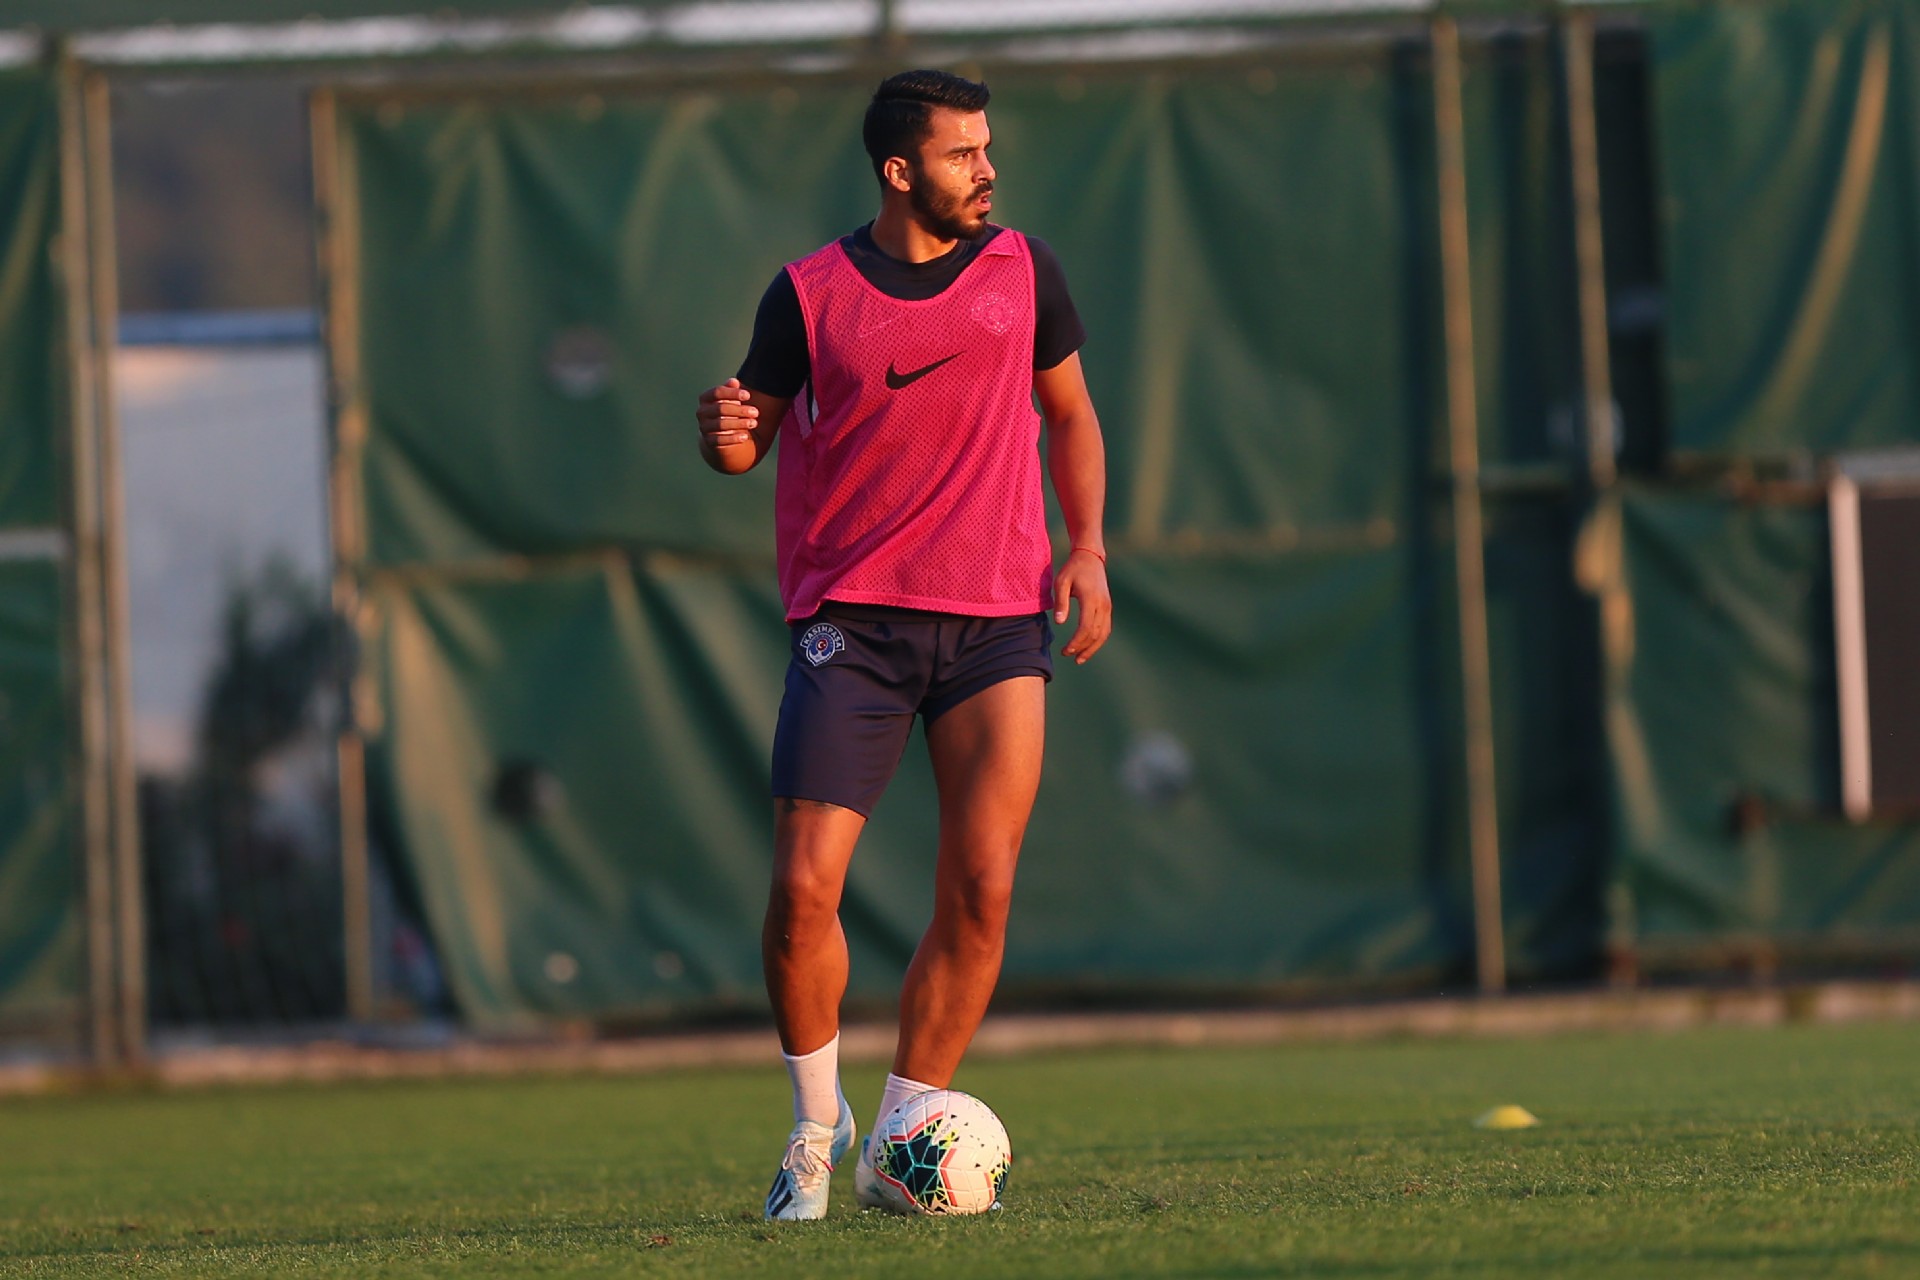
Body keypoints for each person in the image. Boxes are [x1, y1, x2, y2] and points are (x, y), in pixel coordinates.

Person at [696, 68, 1111, 1221]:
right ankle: (813, 1125)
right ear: (898, 169)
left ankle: (903, 1130)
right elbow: (744, 441)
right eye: (962, 152)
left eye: (988, 147)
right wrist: (722, 431)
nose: (987, 168)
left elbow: (1071, 413)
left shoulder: (1026, 271)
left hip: (996, 621)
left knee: (982, 886)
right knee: (800, 891)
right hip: (854, 624)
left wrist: (1088, 547)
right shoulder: (809, 294)